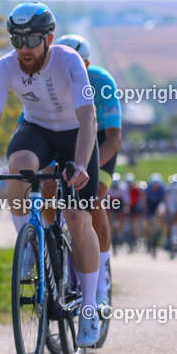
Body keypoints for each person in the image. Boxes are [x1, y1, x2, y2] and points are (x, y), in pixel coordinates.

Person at [0, 2, 102, 346]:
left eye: (31, 40)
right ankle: (29, 244)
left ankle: (89, 308)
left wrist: (83, 165)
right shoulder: (5, 67)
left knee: (76, 217)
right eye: (17, 40)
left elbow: (88, 117)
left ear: (49, 38)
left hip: (76, 133)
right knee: (20, 165)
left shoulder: (68, 61)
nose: (24, 49)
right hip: (38, 130)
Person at [57, 34, 121, 318]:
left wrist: (88, 169)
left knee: (93, 199)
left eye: (78, 66)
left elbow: (114, 139)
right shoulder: (50, 80)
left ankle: (101, 281)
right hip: (63, 145)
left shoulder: (100, 81)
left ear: (88, 64)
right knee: (44, 189)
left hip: (100, 146)